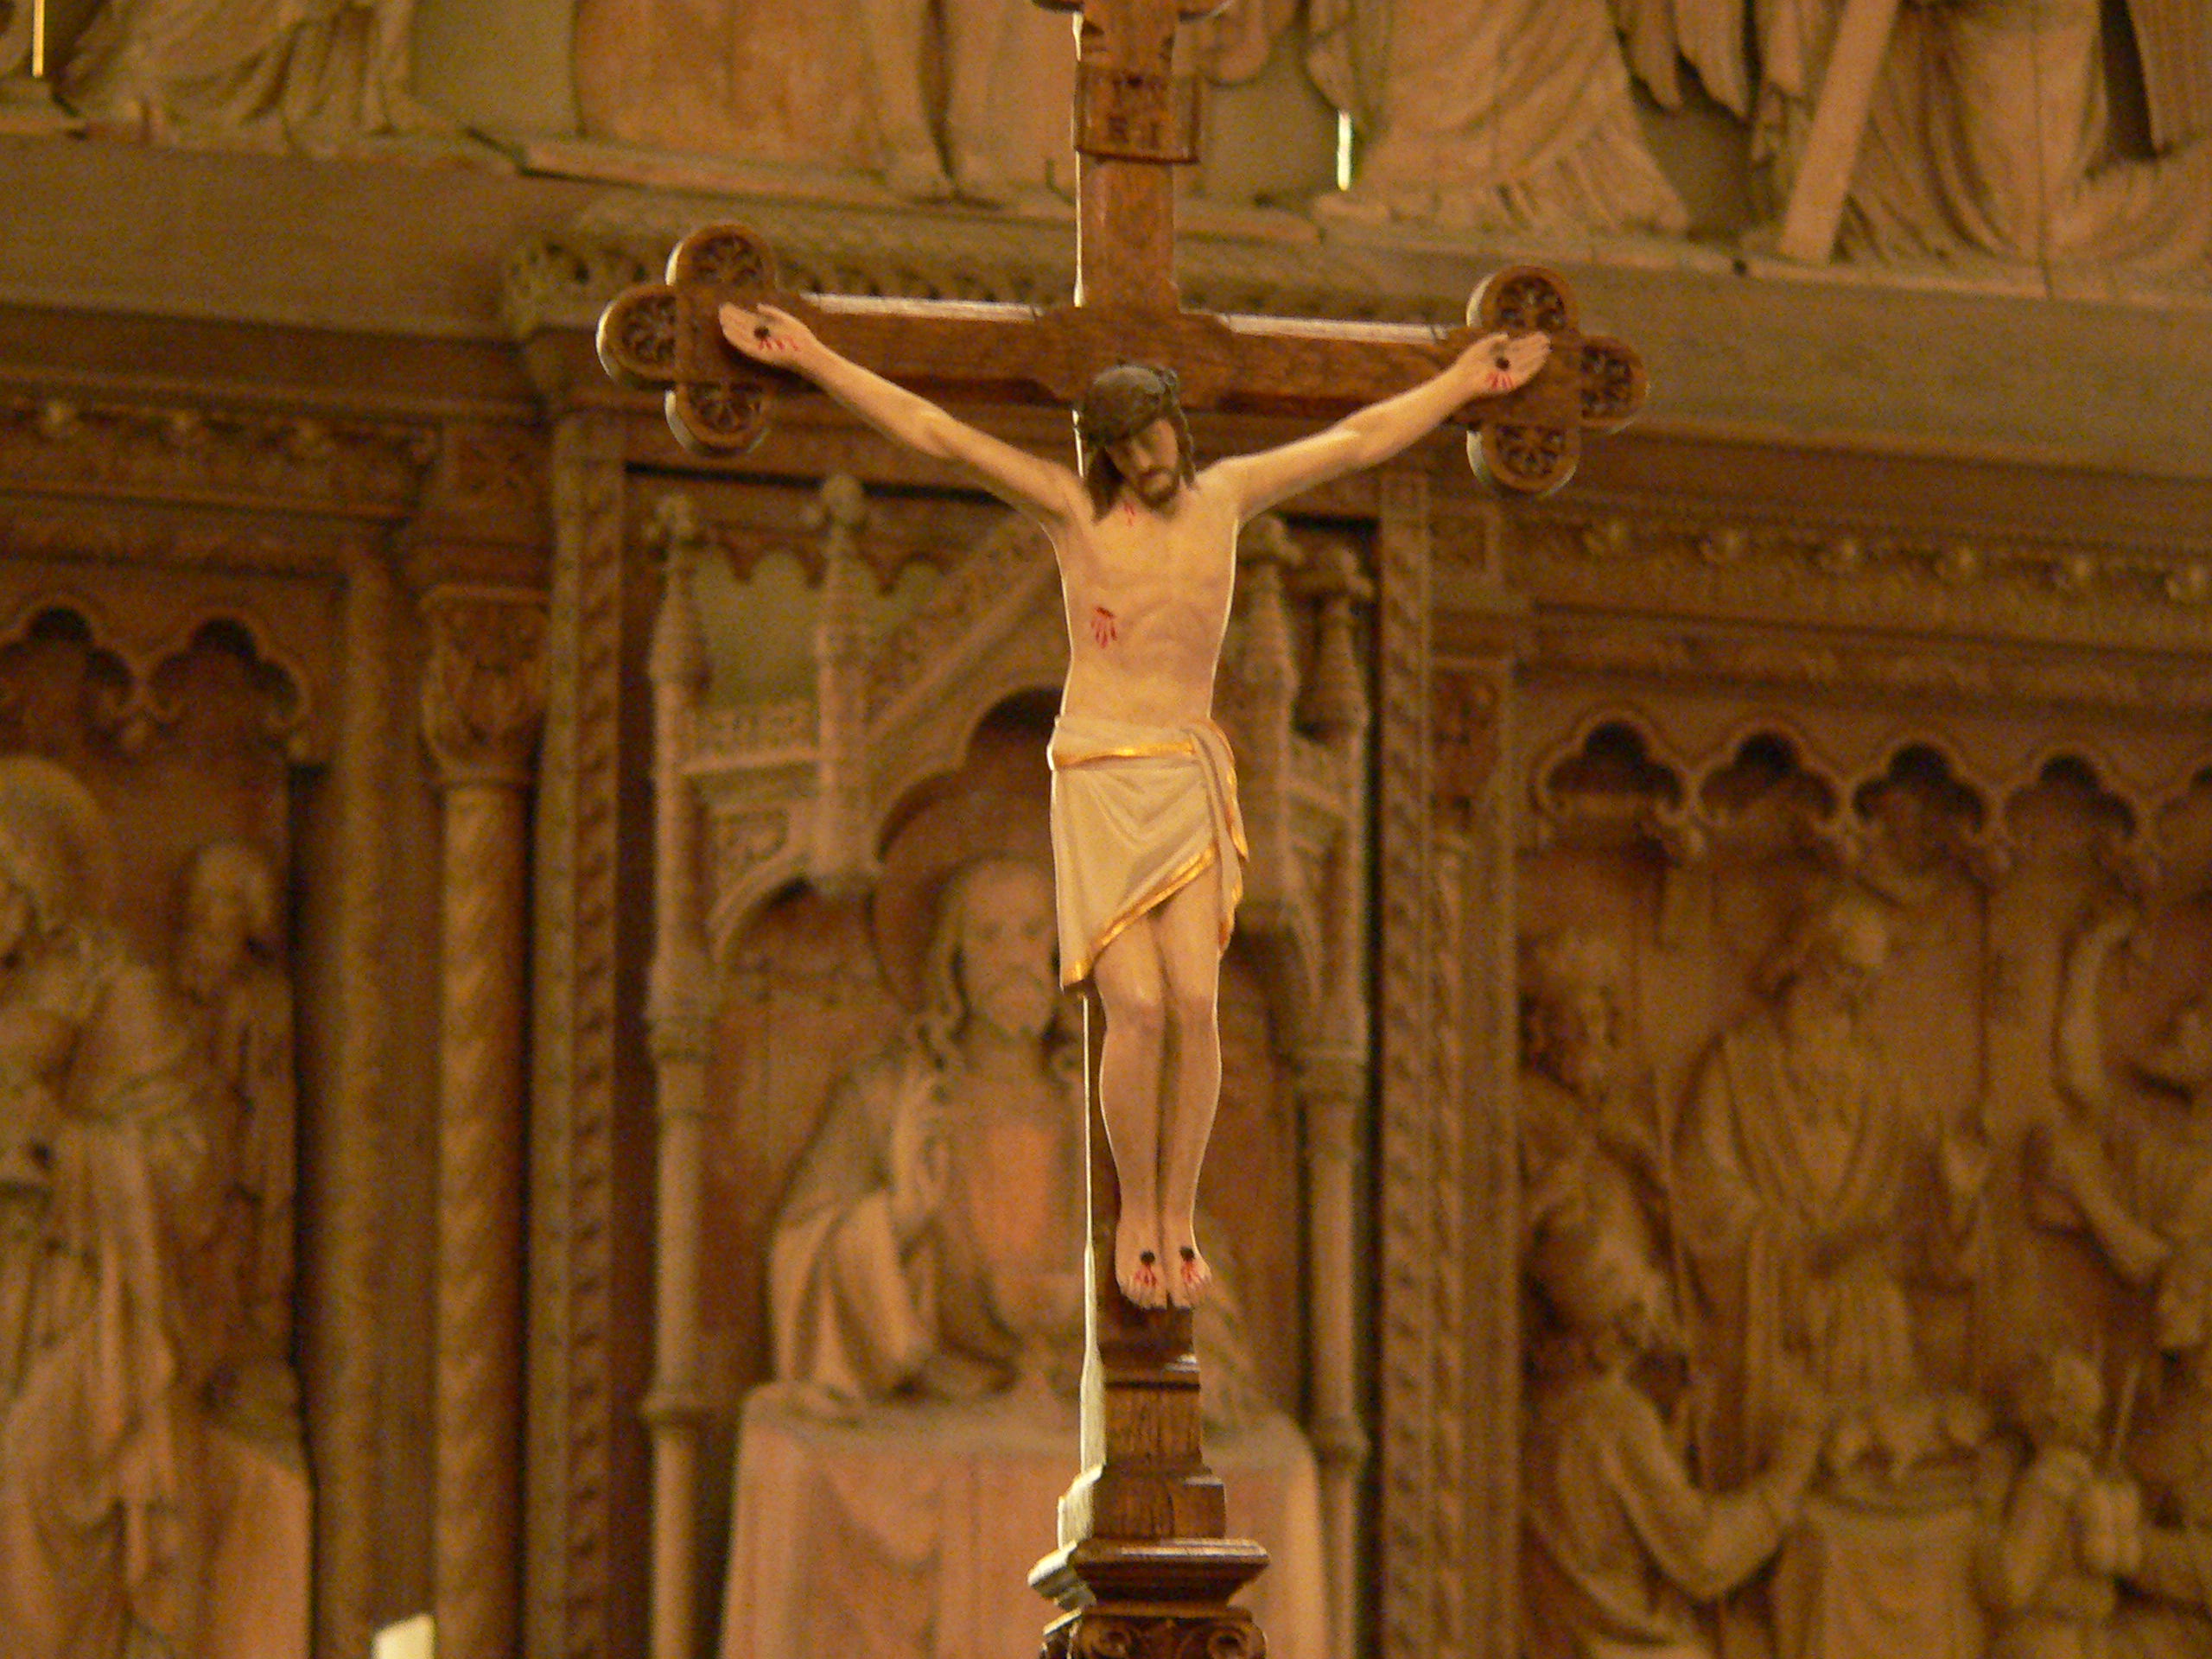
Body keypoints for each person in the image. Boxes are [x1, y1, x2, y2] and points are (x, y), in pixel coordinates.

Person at [721, 297, 1548, 1308]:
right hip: (1103, 775)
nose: (1144, 457)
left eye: (1154, 435)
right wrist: (813, 356)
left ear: (1176, 431)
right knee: (1140, 1008)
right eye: (1123, 446)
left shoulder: (1225, 499)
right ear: (1103, 453)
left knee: (1196, 1004)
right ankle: (1136, 1214)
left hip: (1185, 769)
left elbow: (1357, 439)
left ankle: (1176, 1213)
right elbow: (938, 434)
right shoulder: (1076, 518)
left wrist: (1462, 381)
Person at [1523, 1198, 1821, 1659]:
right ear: (1626, 1327)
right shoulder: (1615, 1418)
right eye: (1648, 1307)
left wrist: (1674, 1434)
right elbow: (1704, 1558)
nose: (1662, 1320)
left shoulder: (1552, 1408)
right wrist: (1786, 1479)